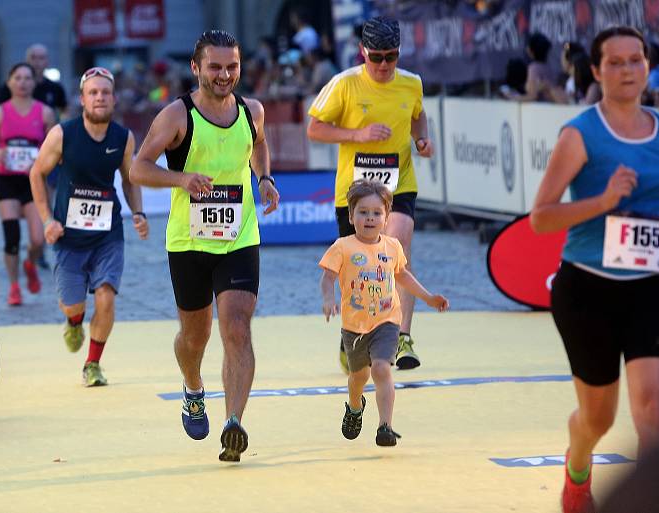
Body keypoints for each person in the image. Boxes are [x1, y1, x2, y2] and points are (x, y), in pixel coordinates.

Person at [530, 26, 659, 513]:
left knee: (653, 413)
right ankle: (577, 468)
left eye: (636, 60)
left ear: (649, 65)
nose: (628, 70)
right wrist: (603, 201)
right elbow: (541, 217)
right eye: (616, 63)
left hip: (654, 284)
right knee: (597, 419)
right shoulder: (580, 134)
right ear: (597, 71)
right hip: (589, 290)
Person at [129, 30, 280, 462]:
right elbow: (139, 168)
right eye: (215, 67)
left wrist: (265, 179)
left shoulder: (253, 111)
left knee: (237, 326)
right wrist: (182, 180)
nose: (224, 74)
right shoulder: (177, 116)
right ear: (196, 68)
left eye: (231, 66)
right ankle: (193, 387)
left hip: (239, 235)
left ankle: (234, 422)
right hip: (189, 241)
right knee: (195, 337)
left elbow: (260, 145)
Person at [307, 15, 433, 373]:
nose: (382, 65)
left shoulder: (411, 84)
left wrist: (421, 139)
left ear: (399, 53)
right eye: (375, 57)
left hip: (398, 183)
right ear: (362, 52)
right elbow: (314, 129)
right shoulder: (344, 84)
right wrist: (358, 136)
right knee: (358, 266)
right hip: (355, 190)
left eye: (390, 57)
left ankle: (402, 336)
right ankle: (355, 335)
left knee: (398, 245)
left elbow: (418, 116)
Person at [29, 67, 148, 386]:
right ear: (82, 99)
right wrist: (46, 220)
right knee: (73, 304)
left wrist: (138, 212)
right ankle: (74, 320)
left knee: (106, 296)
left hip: (108, 233)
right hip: (68, 235)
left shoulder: (123, 137)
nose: (99, 98)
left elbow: (129, 178)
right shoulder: (62, 134)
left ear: (114, 99)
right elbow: (36, 174)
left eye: (105, 93)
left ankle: (92, 363)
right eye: (93, 93)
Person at [319, 180, 448, 446]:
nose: (370, 218)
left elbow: (403, 276)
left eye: (376, 213)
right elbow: (327, 277)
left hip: (386, 321)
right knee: (358, 377)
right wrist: (329, 298)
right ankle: (355, 406)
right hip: (355, 326)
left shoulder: (392, 247)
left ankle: (385, 426)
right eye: (363, 212)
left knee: (381, 368)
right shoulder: (342, 246)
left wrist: (429, 298)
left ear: (386, 217)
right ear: (352, 216)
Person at [0, 63, 55, 305]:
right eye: (18, 78)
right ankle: (14, 286)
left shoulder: (44, 112)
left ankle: (31, 264)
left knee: (38, 239)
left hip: (32, 182)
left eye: (27, 78)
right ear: (9, 82)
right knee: (11, 236)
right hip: (6, 181)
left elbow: (54, 147)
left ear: (34, 83)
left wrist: (42, 161)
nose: (23, 82)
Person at [0, 43, 68, 271]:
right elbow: (1, 117)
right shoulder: (12, 88)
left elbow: (65, 112)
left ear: (47, 61)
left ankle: (38, 249)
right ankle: (30, 241)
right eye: (34, 58)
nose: (38, 62)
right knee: (15, 217)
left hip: (46, 155)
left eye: (42, 58)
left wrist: (61, 137)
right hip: (12, 168)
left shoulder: (55, 88)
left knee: (44, 200)